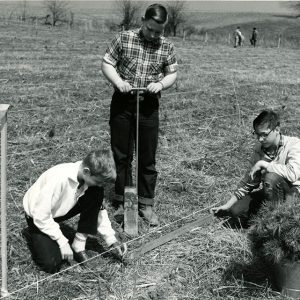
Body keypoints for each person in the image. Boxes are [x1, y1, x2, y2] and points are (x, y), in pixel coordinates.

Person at [101, 3, 178, 226]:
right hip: (123, 103)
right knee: (122, 154)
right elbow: (107, 63)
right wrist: (118, 82)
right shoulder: (123, 39)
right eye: (150, 29)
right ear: (143, 20)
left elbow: (172, 73)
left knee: (147, 157)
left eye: (159, 31)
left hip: (148, 105)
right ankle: (125, 200)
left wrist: (161, 84)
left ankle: (145, 203)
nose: (154, 34)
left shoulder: (166, 47)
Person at [23, 149, 127, 273]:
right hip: (37, 216)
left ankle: (78, 245)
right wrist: (62, 242)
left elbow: (97, 210)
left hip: (60, 211)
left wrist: (111, 239)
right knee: (51, 264)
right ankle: (33, 233)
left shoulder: (87, 176)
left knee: (96, 193)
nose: (100, 185)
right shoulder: (58, 179)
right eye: (99, 181)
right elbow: (40, 215)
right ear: (87, 171)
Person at [211, 110, 300, 227]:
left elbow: (293, 174)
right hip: (271, 192)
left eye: (264, 134)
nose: (260, 139)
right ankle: (269, 217)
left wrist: (264, 164)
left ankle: (276, 224)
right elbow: (249, 181)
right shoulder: (259, 149)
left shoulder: (294, 145)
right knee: (235, 211)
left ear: (277, 130)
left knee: (271, 177)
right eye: (257, 134)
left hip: (293, 194)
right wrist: (228, 204)